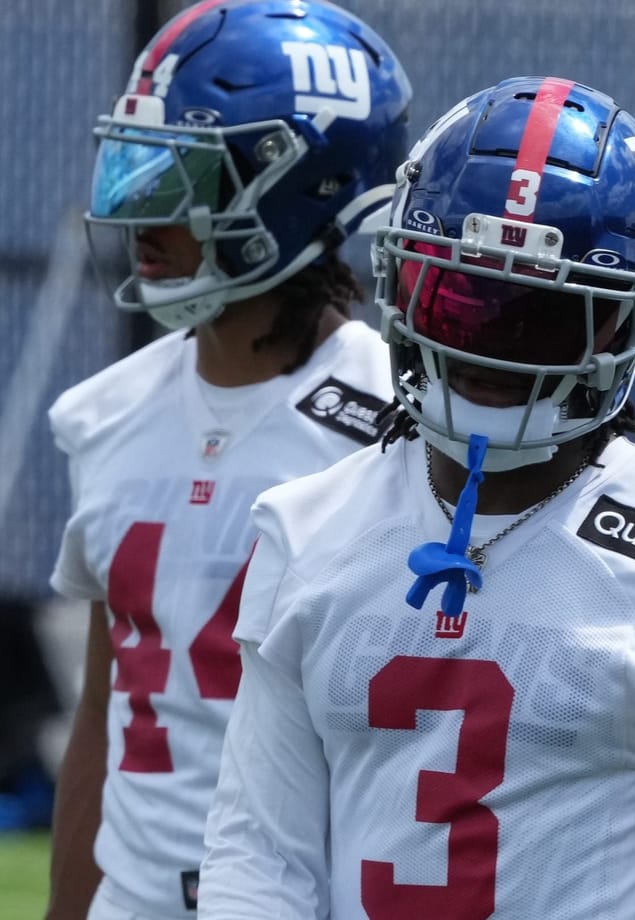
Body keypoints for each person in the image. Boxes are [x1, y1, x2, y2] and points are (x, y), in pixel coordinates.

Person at [198, 75, 635, 919]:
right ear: (403, 288)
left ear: (625, 325)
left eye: (543, 313)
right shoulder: (307, 525)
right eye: (462, 300)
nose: (495, 346)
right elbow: (259, 860)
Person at [44, 1, 411, 918]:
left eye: (184, 173)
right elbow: (107, 712)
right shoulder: (104, 415)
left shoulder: (399, 432)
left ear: (303, 187)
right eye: (134, 162)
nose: (139, 208)